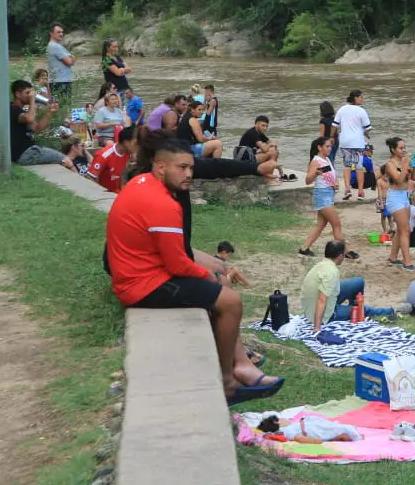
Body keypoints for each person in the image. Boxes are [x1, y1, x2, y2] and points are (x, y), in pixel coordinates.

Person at [105, 137, 283, 406]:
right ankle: (227, 382)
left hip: (139, 273)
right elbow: (178, 265)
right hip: (142, 286)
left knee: (221, 282)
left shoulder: (141, 183)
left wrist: (213, 276)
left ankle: (240, 365)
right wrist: (209, 276)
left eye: (190, 167)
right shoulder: (162, 204)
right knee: (231, 301)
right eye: (182, 168)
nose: (188, 174)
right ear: (160, 166)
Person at [299, 137, 357, 258]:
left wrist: (334, 183)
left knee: (320, 225)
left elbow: (330, 176)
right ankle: (346, 251)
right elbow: (307, 180)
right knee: (336, 224)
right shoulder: (316, 161)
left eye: (330, 146)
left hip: (328, 194)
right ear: (319, 147)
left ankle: (304, 248)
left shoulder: (327, 159)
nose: (330, 149)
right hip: (322, 195)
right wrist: (315, 173)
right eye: (327, 146)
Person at [301, 240, 367, 333]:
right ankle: (387, 311)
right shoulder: (331, 272)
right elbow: (322, 300)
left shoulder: (322, 264)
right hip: (322, 313)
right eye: (344, 255)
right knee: (363, 310)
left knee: (359, 282)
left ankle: (353, 307)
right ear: (340, 256)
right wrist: (317, 327)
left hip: (321, 302)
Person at [9, 80, 70, 167]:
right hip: (24, 153)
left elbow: (37, 128)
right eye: (27, 93)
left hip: (29, 151)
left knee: (64, 161)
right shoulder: (12, 109)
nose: (30, 95)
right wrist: (32, 100)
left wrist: (49, 112)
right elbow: (29, 118)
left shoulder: (22, 112)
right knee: (66, 160)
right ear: (18, 94)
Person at [383, 136, 415, 271]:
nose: (404, 150)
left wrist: (413, 166)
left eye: (404, 148)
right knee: (405, 230)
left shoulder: (404, 162)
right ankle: (407, 262)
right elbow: (398, 179)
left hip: (404, 196)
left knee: (402, 229)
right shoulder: (390, 164)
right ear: (393, 149)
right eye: (401, 148)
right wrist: (405, 165)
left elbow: (413, 179)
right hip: (394, 197)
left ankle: (393, 257)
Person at [334, 90, 372, 201]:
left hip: (345, 142)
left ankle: (347, 189)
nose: (362, 99)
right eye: (361, 97)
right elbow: (368, 127)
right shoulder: (361, 111)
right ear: (355, 98)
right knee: (359, 166)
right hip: (357, 142)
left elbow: (334, 125)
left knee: (347, 166)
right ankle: (360, 191)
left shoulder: (342, 109)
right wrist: (365, 133)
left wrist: (332, 136)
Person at [86, 125, 138, 193]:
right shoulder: (104, 155)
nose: (138, 145)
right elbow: (90, 177)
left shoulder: (129, 154)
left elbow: (123, 175)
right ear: (126, 142)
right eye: (135, 143)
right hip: (106, 195)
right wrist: (102, 194)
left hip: (119, 193)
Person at [237, 115, 287, 179]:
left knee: (273, 150)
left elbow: (272, 145)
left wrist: (271, 146)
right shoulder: (252, 133)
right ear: (256, 124)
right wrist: (270, 145)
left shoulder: (260, 133)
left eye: (266, 126)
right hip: (244, 160)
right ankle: (269, 174)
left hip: (251, 156)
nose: (265, 128)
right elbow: (264, 149)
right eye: (263, 125)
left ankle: (268, 171)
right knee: (272, 152)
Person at [46, 24, 75, 99]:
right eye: (58, 32)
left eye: (62, 32)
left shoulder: (54, 45)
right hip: (60, 82)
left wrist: (71, 58)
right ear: (51, 33)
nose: (61, 34)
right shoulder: (55, 46)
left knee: (61, 104)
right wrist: (72, 57)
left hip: (59, 81)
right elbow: (69, 62)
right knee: (64, 104)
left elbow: (70, 60)